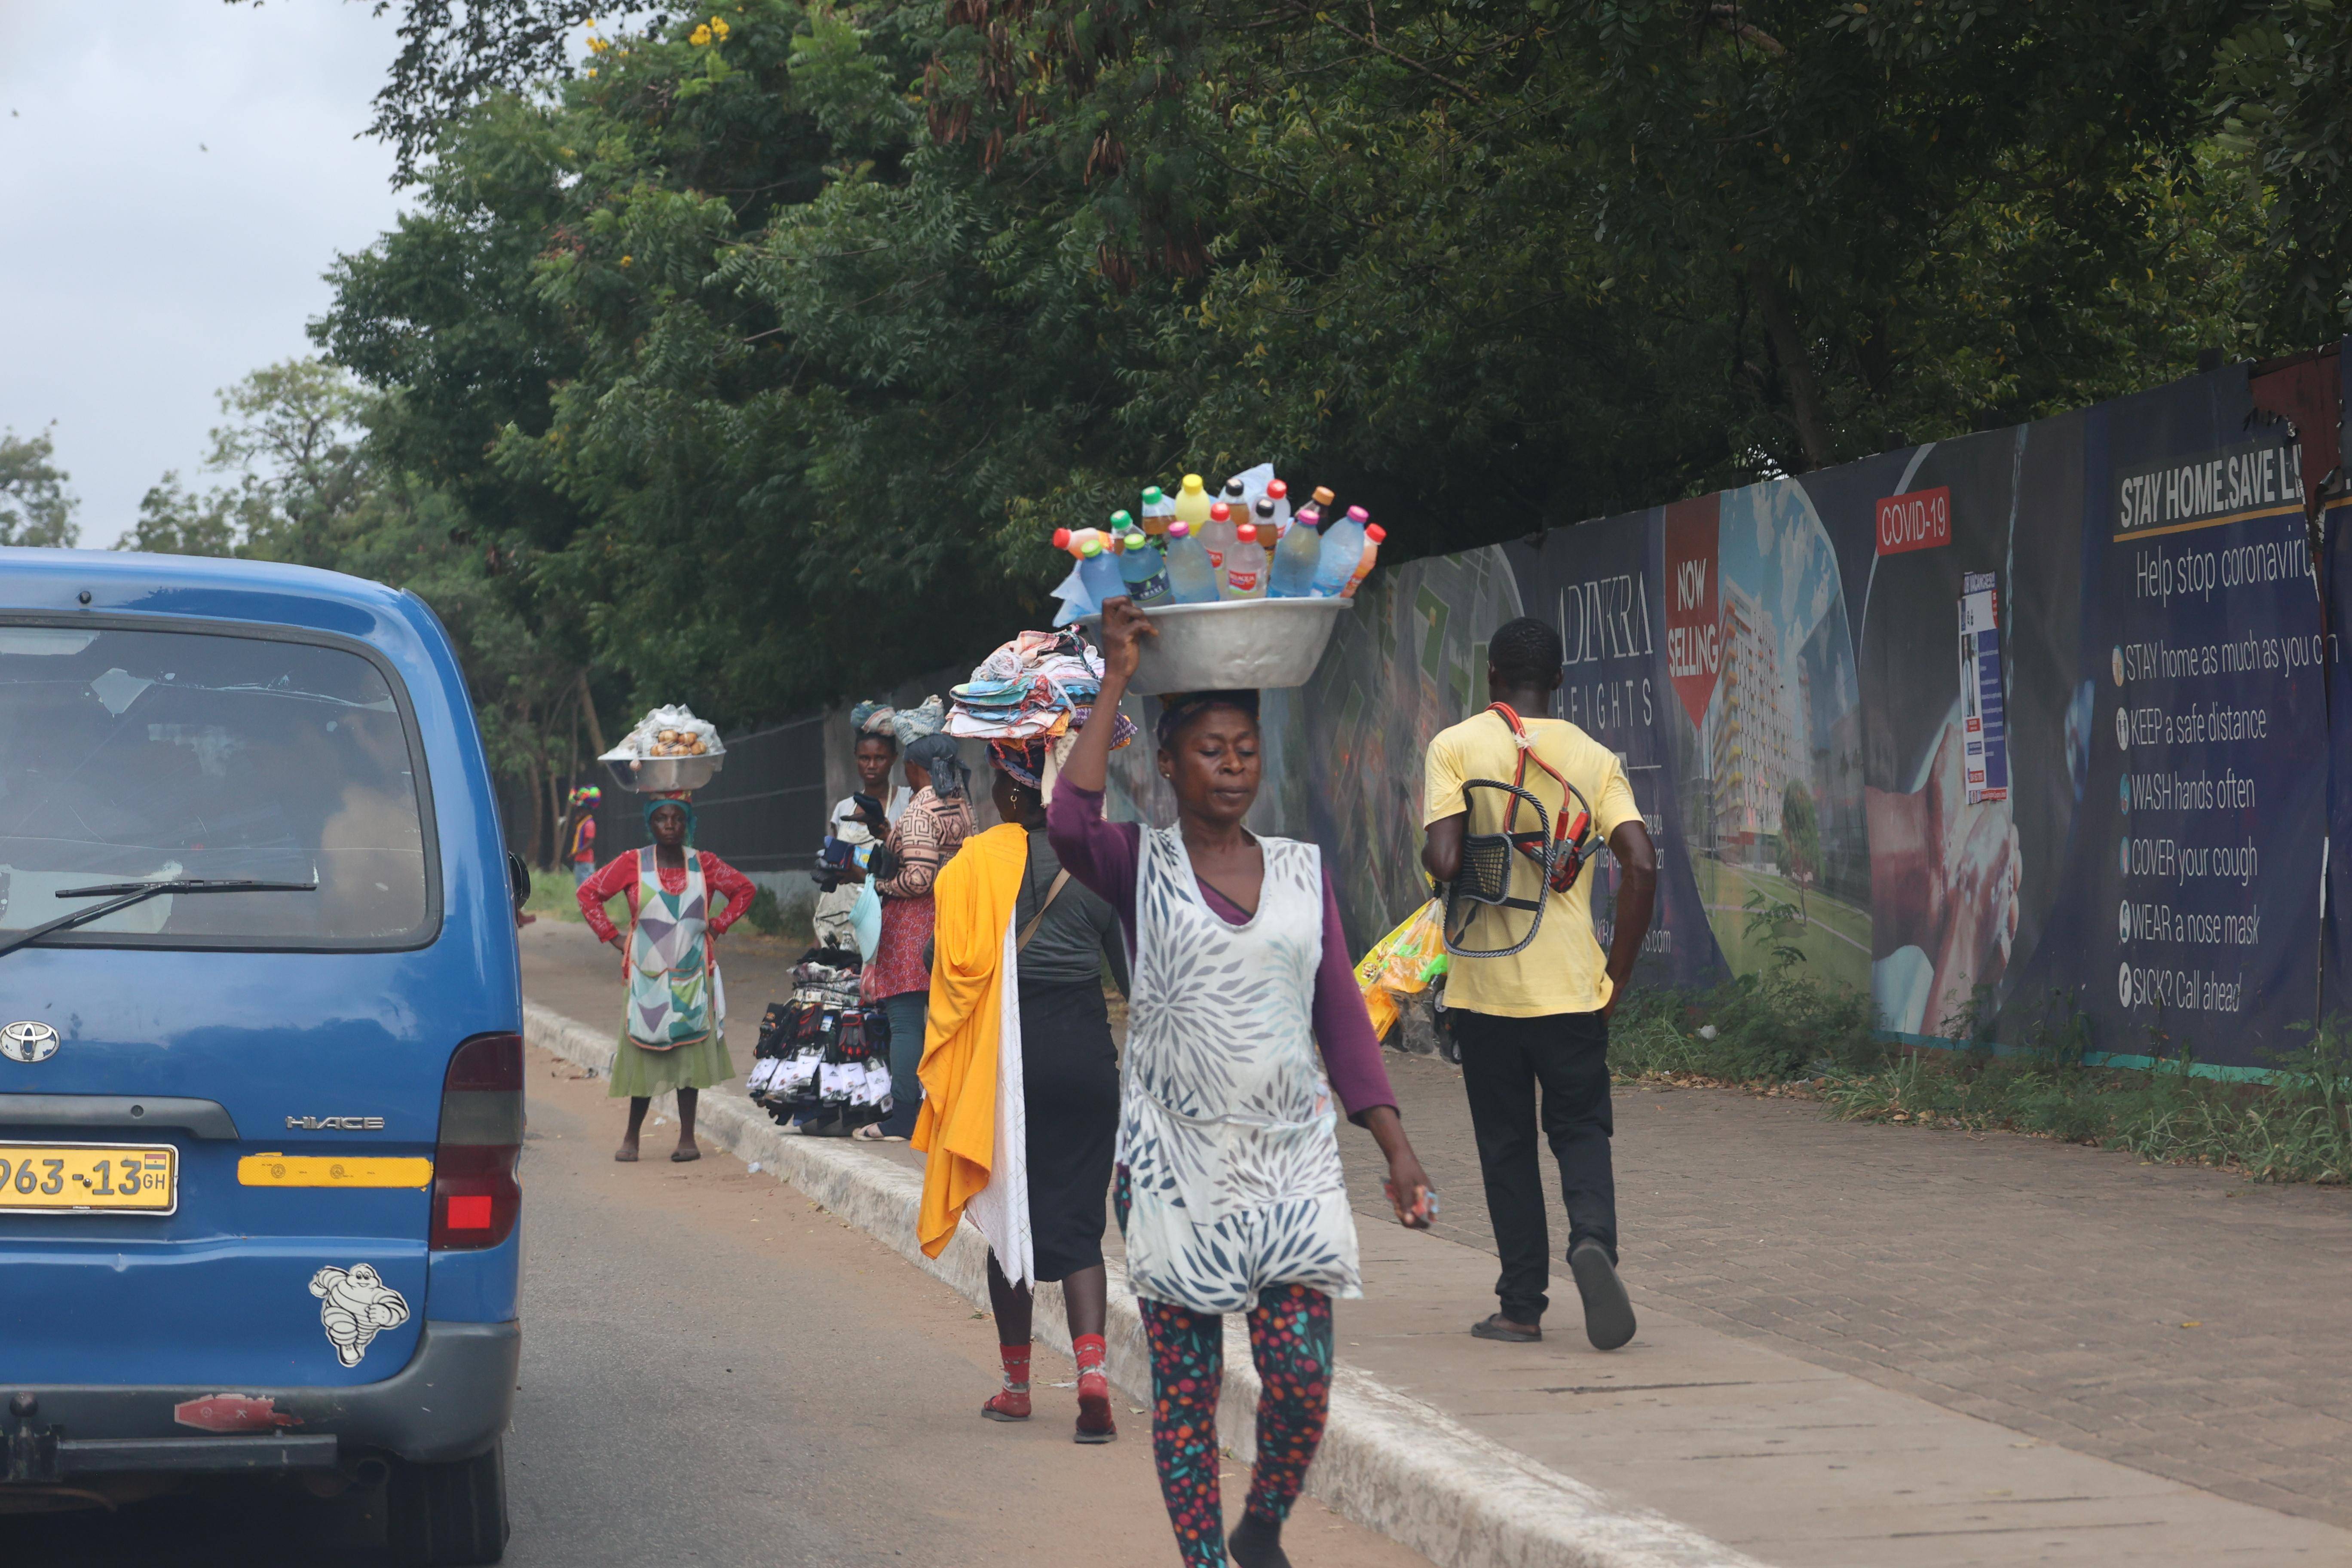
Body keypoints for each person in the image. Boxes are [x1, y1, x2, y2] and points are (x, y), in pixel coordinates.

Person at [1051, 598, 1434, 1568]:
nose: (1233, 765)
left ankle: (1261, 1521)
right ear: (1168, 767)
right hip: (1177, 1164)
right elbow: (1067, 817)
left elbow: (1341, 1017)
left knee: (1302, 1384)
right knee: (1186, 1393)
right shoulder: (1140, 863)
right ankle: (1206, 1561)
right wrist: (1119, 678)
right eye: (1211, 750)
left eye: (1246, 750)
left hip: (1290, 1164)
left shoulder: (1304, 874)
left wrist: (1394, 1147)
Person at [1419, 616, 1658, 1351]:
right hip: (1570, 990)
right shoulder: (1593, 757)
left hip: (1483, 994)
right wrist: (1612, 976)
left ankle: (1521, 1306)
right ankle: (1592, 1241)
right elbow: (1641, 863)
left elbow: (1445, 859)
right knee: (1581, 1129)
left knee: (1506, 1145)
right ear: (1558, 681)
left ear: (1492, 677)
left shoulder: (1456, 746)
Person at [916, 738, 1130, 1442]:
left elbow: (936, 957)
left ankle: (1016, 1385)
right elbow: (1131, 979)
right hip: (1087, 1056)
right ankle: (1093, 1373)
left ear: (1012, 793)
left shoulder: (976, 864)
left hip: (1008, 1065)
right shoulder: (1097, 864)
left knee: (1010, 1221)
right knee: (1079, 1226)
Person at [576, 795, 757, 1162]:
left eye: (677, 818)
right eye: (661, 819)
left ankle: (687, 1139)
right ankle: (632, 1137)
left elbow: (744, 890)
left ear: (688, 822)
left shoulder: (704, 864)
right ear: (651, 824)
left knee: (689, 1053)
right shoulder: (632, 863)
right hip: (647, 976)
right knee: (643, 1048)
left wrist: (718, 927)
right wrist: (613, 938)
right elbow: (588, 893)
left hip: (693, 974)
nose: (670, 825)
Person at [859, 730, 974, 1141]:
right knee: (946, 1019)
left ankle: (904, 1116)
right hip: (952, 915)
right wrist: (886, 832)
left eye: (907, 765)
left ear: (915, 767)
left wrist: (882, 886)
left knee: (906, 1021)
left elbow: (920, 876)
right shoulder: (961, 801)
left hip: (913, 921)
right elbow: (937, 856)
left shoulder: (922, 806)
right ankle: (949, 1109)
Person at [811, 703, 911, 955]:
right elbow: (833, 867)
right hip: (842, 915)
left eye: (880, 758)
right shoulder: (843, 809)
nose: (872, 765)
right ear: (856, 757)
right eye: (865, 758)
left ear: (894, 760)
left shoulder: (908, 801)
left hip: (886, 913)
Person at [565, 786, 601, 888]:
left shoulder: (589, 824)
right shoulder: (582, 823)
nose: (579, 813)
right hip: (580, 861)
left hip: (585, 862)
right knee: (582, 888)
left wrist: (577, 852)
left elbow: (590, 842)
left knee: (584, 889)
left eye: (581, 811)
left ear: (586, 811)